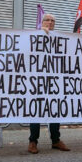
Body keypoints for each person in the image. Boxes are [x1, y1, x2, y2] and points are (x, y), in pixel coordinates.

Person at [28, 13, 70, 154]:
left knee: (55, 110)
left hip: (54, 81)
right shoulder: (33, 35)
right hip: (37, 80)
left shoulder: (59, 37)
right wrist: (41, 34)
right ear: (42, 21)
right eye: (47, 20)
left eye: (53, 20)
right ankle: (33, 141)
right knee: (36, 111)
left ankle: (56, 140)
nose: (50, 22)